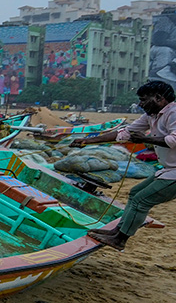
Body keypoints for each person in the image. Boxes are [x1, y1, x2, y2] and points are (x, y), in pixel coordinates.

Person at [73, 80, 176, 251]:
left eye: (143, 100)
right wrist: (87, 141)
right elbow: (125, 133)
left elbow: (173, 140)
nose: (140, 104)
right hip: (168, 169)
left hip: (174, 173)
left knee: (141, 200)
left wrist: (144, 139)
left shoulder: (173, 113)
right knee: (135, 193)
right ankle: (117, 231)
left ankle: (120, 239)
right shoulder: (151, 115)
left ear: (159, 98)